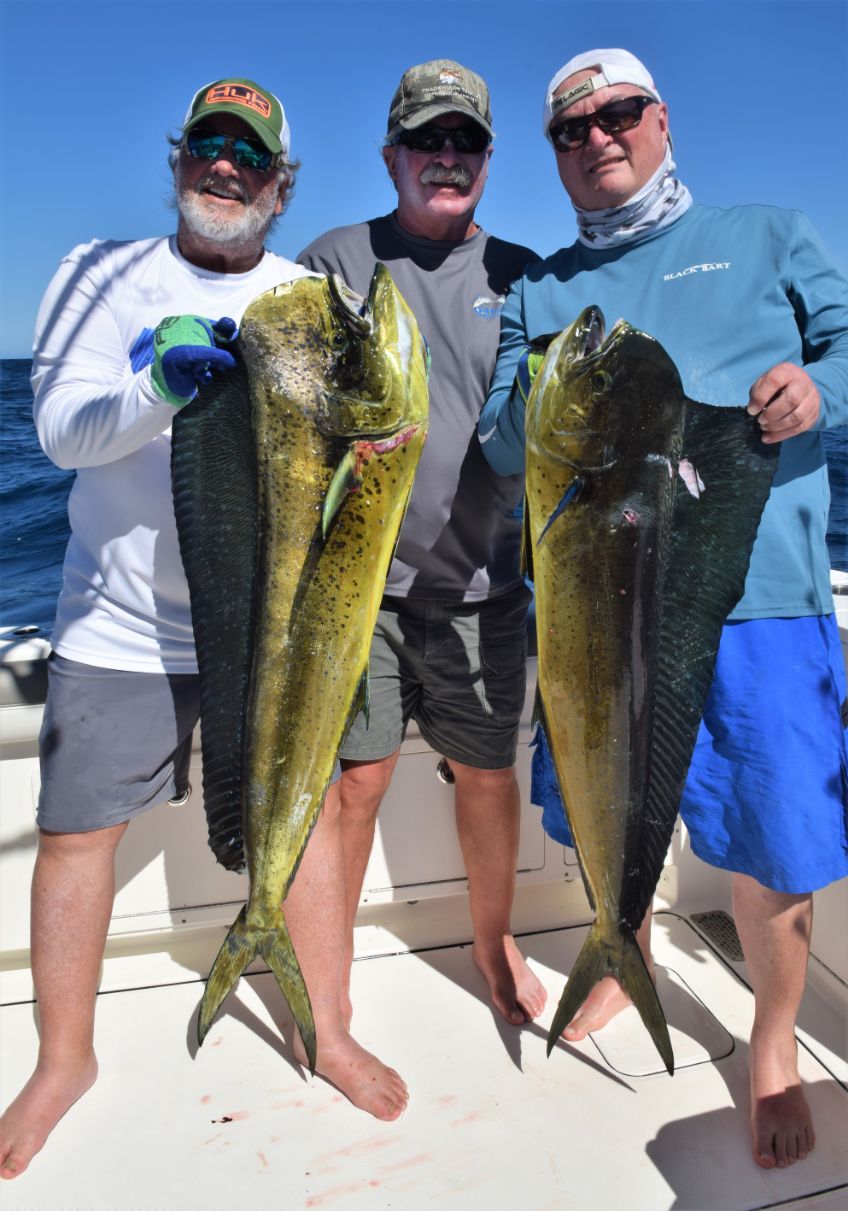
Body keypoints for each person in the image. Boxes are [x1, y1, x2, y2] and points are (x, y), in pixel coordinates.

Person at [0, 76, 407, 1183]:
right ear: (179, 158)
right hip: (120, 625)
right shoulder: (100, 271)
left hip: (273, 631)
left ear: (281, 187)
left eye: (251, 154)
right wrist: (158, 387)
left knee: (303, 826)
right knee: (78, 834)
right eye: (208, 146)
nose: (226, 166)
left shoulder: (308, 299)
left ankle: (327, 1027)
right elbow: (59, 433)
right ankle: (63, 1059)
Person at [479, 49, 848, 1171]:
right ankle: (621, 945)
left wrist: (820, 389)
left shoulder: (769, 233)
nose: (598, 136)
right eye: (571, 127)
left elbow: (844, 349)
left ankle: (772, 1043)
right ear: (553, 154)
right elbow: (501, 443)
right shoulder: (541, 291)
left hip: (757, 604)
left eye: (619, 113)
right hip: (595, 613)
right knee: (605, 810)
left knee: (773, 843)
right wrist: (539, 397)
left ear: (661, 118)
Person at [297, 59, 548, 1075]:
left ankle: (492, 941)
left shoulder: (525, 275)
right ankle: (330, 983)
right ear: (391, 155)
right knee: (355, 781)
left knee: (486, 775)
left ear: (487, 158)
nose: (446, 157)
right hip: (358, 592)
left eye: (465, 141)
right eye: (426, 140)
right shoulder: (332, 259)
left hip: (488, 587)